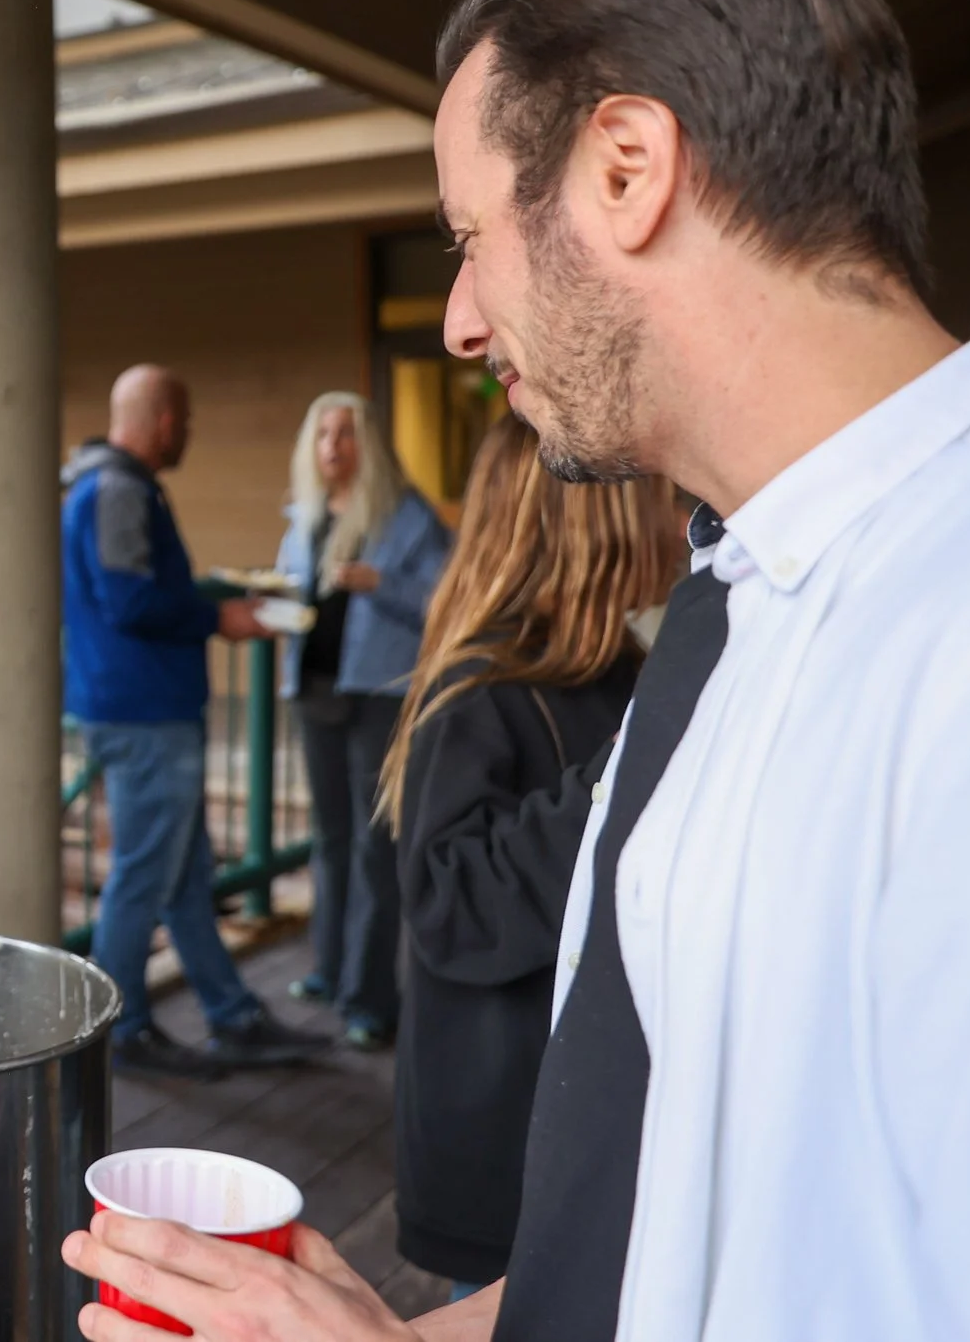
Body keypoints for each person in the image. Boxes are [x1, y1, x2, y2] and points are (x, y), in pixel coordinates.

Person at [65, 0, 970, 1342]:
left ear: (627, 168)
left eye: (470, 235)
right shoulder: (746, 590)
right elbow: (694, 1250)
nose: (463, 320)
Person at [381, 416, 685, 1302]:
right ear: (596, 521)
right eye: (664, 499)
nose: (681, 524)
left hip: (595, 1130)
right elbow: (451, 908)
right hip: (505, 1154)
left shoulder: (624, 672)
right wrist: (617, 776)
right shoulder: (480, 689)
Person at [63, 365, 328, 1076]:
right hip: (145, 711)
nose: (186, 433)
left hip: (134, 704)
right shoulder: (119, 489)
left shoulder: (102, 484)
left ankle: (232, 1015)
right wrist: (219, 616)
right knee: (145, 874)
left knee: (181, 876)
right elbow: (129, 601)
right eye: (184, 420)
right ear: (162, 421)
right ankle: (121, 1030)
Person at [275, 392, 450, 1049]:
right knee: (330, 838)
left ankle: (371, 998)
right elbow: (292, 589)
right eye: (323, 433)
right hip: (315, 691)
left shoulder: (407, 515)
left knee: (374, 845)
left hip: (378, 694)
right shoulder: (306, 515)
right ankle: (330, 970)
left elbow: (445, 598)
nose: (333, 445)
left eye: (346, 432)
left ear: (367, 443)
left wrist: (381, 583)